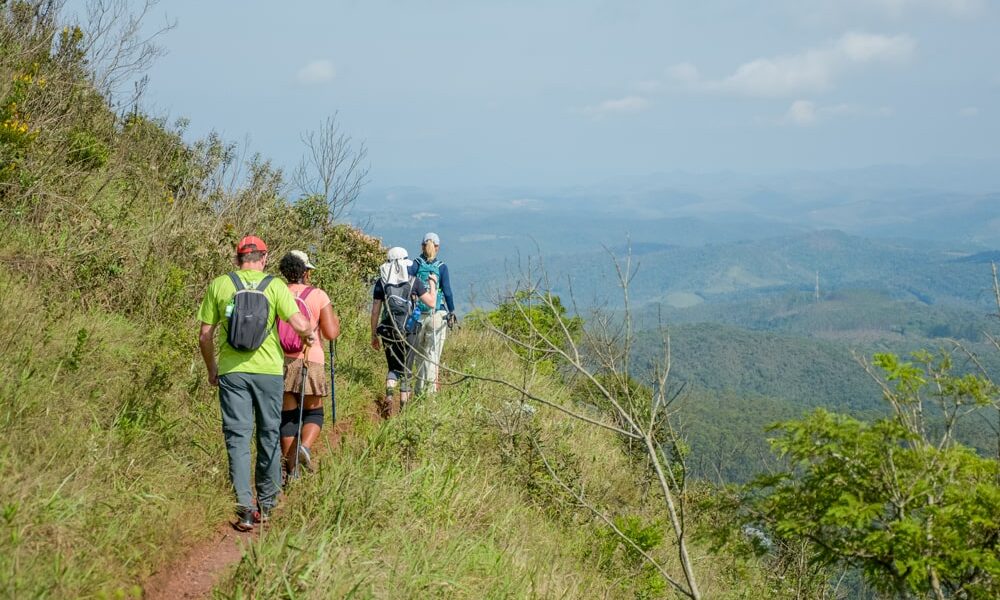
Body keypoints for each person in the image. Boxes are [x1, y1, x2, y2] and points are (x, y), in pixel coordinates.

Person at [197, 236, 313, 532]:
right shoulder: (274, 286)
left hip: (232, 372)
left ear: (237, 259)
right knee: (268, 434)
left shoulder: (220, 285)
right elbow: (300, 324)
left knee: (237, 438)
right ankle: (269, 504)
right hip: (269, 373)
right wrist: (308, 337)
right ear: (263, 258)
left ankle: (245, 509)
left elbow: (205, 336)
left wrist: (213, 369)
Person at [277, 250, 340, 475]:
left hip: (281, 361)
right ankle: (304, 448)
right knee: (314, 412)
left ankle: (291, 468)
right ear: (304, 272)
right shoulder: (318, 295)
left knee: (288, 416)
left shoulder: (277, 291)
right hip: (310, 359)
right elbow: (331, 333)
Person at [370, 247, 438, 418]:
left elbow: (375, 312)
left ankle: (389, 395)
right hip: (409, 331)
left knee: (393, 368)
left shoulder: (381, 283)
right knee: (407, 371)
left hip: (387, 330)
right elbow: (431, 303)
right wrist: (433, 284)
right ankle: (403, 412)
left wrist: (373, 334)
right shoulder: (414, 281)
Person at [409, 232, 457, 395]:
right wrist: (452, 311)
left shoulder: (415, 265)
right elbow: (448, 292)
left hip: (418, 315)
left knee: (418, 355)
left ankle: (418, 390)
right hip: (437, 315)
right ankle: (430, 395)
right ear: (437, 247)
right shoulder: (442, 267)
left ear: (422, 246)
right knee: (432, 356)